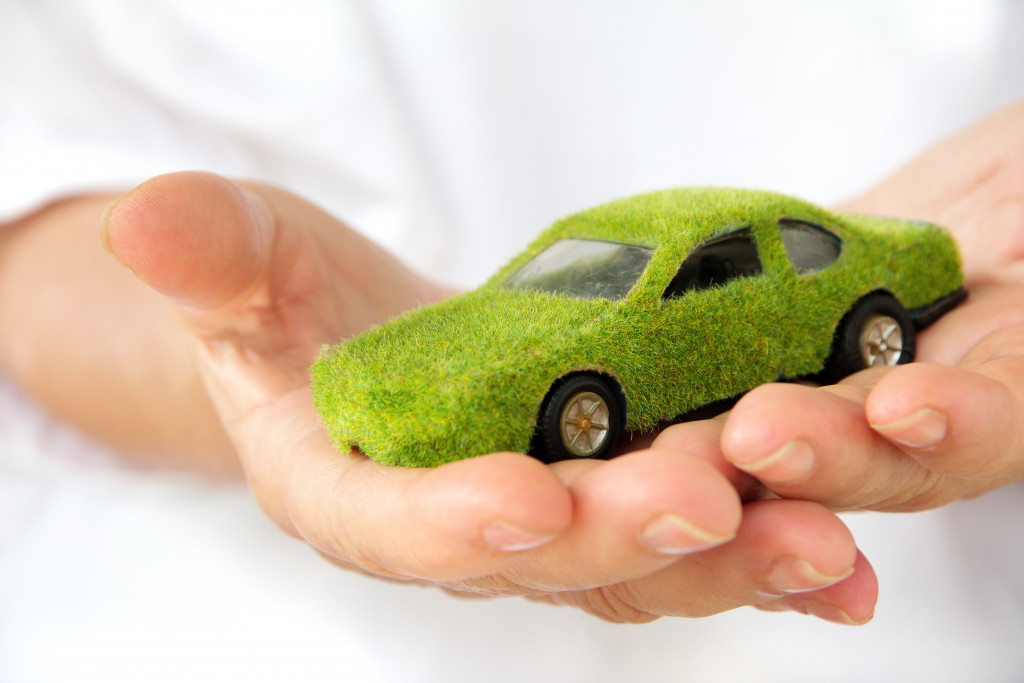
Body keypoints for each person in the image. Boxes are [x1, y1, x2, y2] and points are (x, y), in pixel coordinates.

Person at [1, 2, 1022, 681]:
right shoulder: (511, 308)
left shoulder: (812, 279)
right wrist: (223, 349)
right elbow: (31, 222)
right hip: (227, 627)